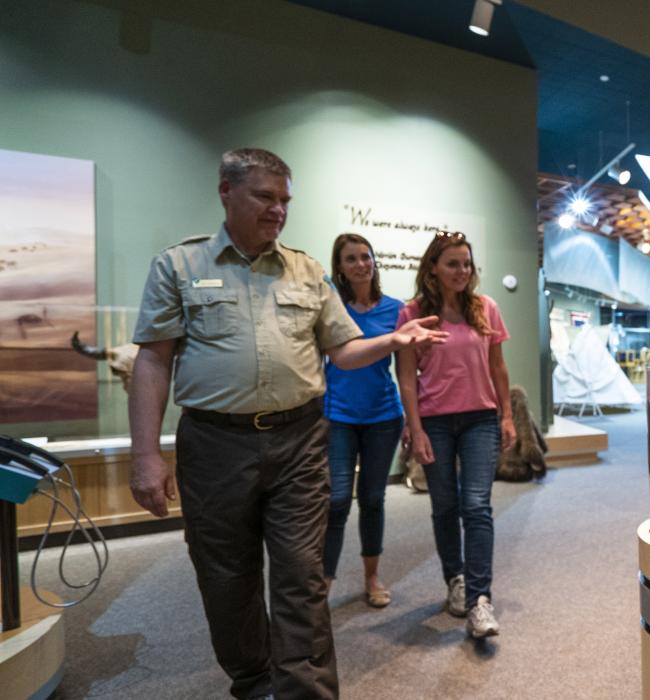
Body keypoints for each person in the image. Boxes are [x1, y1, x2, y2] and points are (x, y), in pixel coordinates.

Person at [128, 148, 446, 700]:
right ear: (226, 192)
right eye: (265, 197)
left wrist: (394, 340)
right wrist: (145, 455)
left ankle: (307, 693)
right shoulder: (179, 266)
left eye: (285, 200)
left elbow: (343, 351)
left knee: (302, 577)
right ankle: (253, 683)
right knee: (227, 577)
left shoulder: (305, 270)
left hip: (299, 440)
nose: (278, 210)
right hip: (214, 443)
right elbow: (153, 361)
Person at [397, 231, 516, 639]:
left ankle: (480, 599)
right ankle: (456, 580)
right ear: (433, 267)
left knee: (477, 505)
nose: (462, 271)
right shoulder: (413, 313)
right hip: (434, 421)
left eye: (467, 264)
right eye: (453, 263)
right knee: (445, 506)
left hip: (480, 418)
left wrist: (507, 416)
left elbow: (498, 366)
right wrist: (414, 427)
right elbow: (406, 377)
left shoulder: (486, 308)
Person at [322, 233, 404, 607]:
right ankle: (323, 582)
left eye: (365, 256)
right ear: (339, 266)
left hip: (383, 417)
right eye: (351, 258)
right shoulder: (331, 307)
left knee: (372, 498)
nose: (360, 264)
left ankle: (372, 577)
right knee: (337, 500)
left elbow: (405, 371)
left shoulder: (395, 310)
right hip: (338, 415)